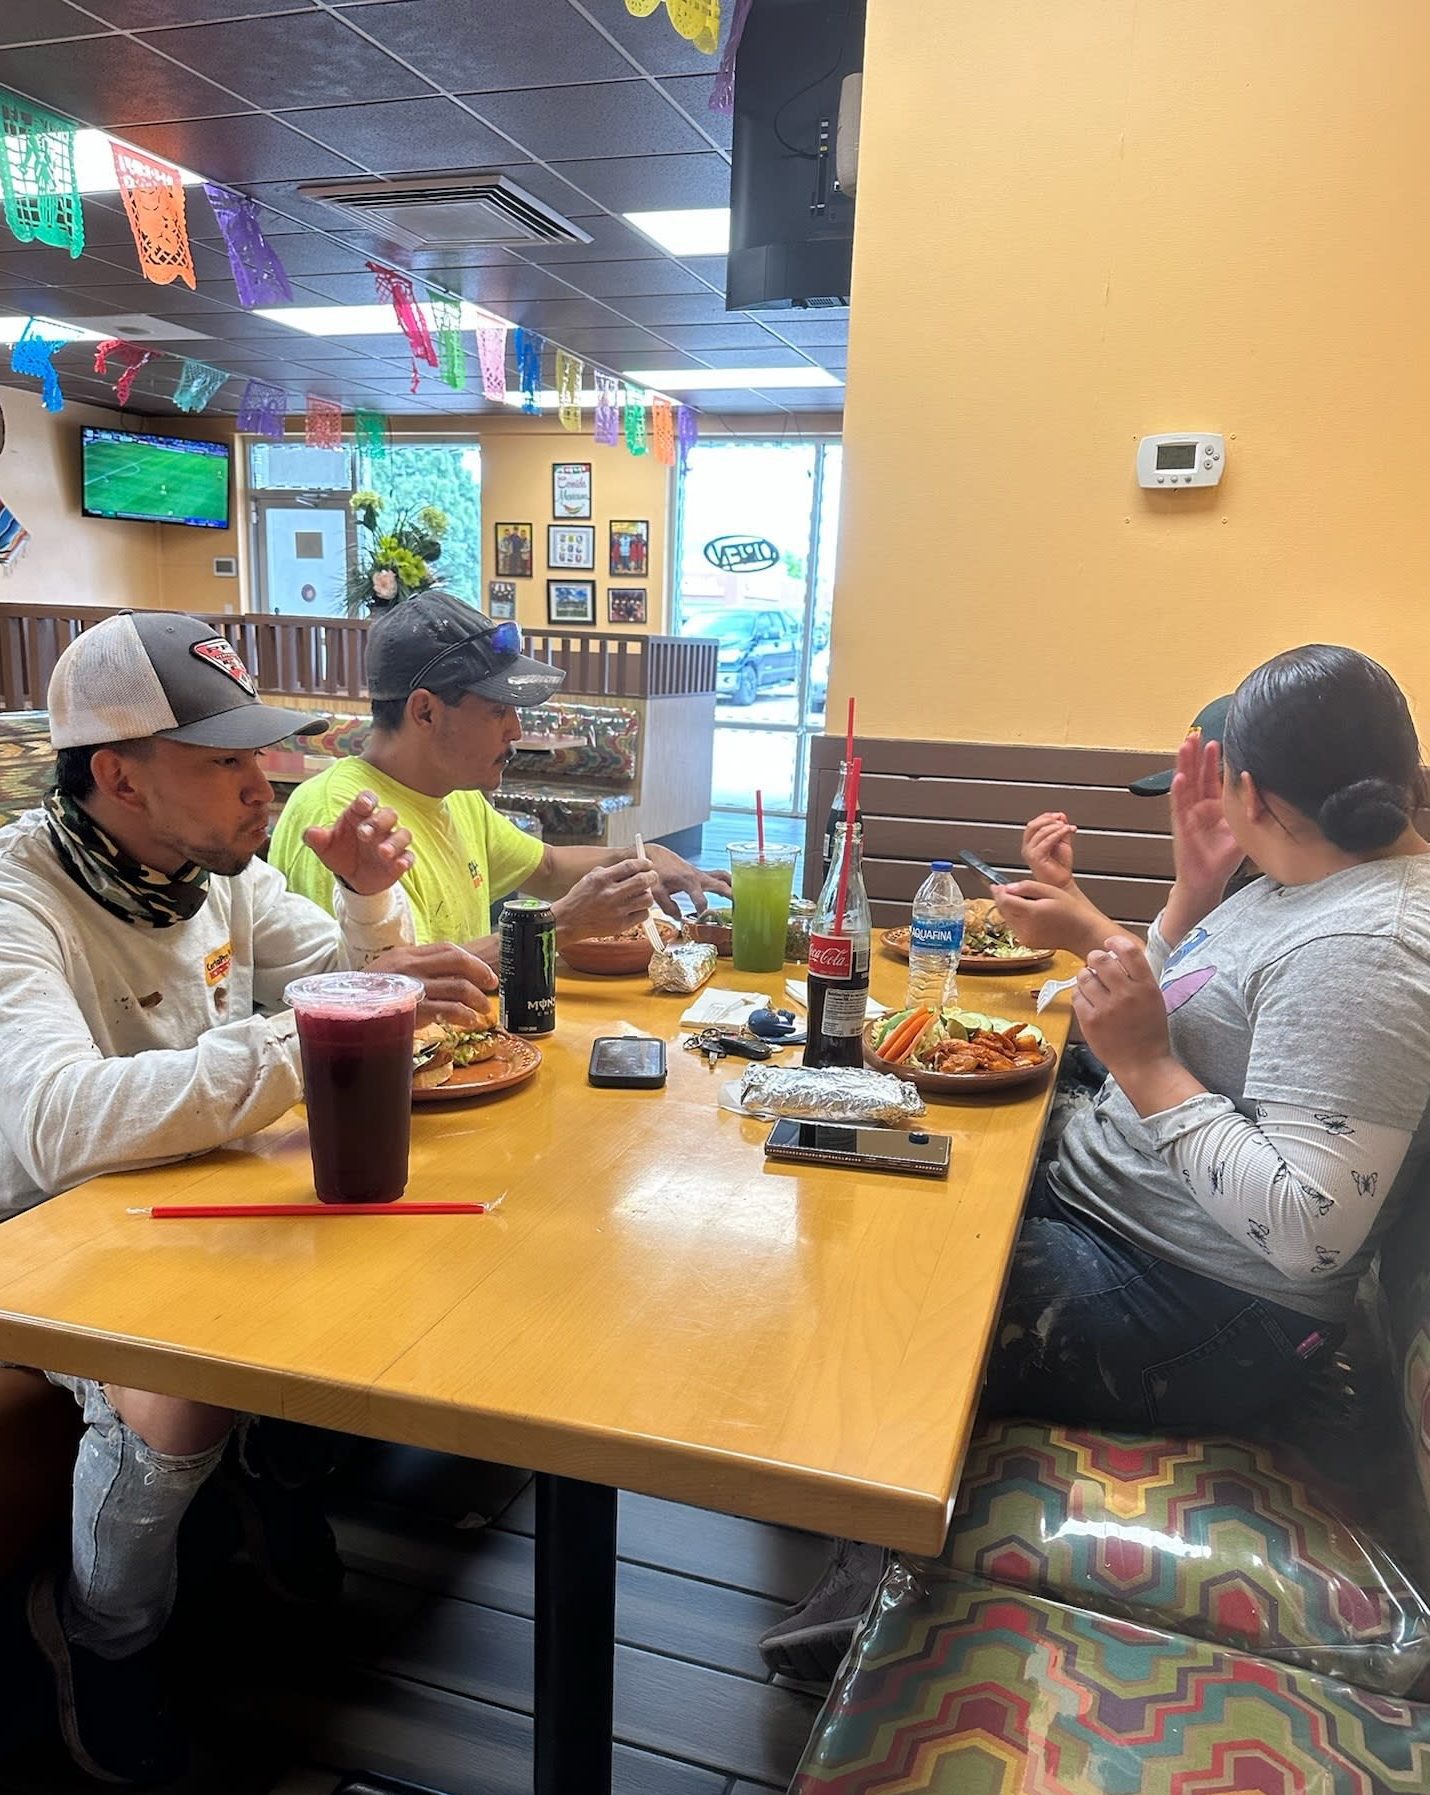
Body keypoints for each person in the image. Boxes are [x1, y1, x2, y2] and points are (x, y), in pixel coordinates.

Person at [761, 645, 1430, 1683]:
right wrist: (1192, 890)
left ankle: (869, 1622)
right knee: (850, 1158)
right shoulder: (1300, 885)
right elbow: (1179, 1010)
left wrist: (1147, 1064)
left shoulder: (1365, 945)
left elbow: (1306, 1231)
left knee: (903, 1291)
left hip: (1207, 1309)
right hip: (1124, 1219)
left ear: (1249, 789)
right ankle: (844, 1514)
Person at [0, 611, 498, 1785]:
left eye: (259, 753)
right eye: (223, 760)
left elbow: (347, 978)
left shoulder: (210, 870)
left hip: (180, 1197)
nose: (261, 784)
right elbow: (56, 1126)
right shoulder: (21, 904)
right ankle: (101, 1643)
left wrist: (371, 906)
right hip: (42, 1235)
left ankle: (277, 1484)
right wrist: (309, 1025)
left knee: (386, 1237)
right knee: (180, 1385)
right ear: (116, 774)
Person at [271, 593, 730, 958]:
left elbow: (546, 868)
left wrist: (641, 857)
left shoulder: (453, 792)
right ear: (425, 711)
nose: (516, 729)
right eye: (497, 710)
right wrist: (561, 925)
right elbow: (392, 989)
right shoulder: (346, 822)